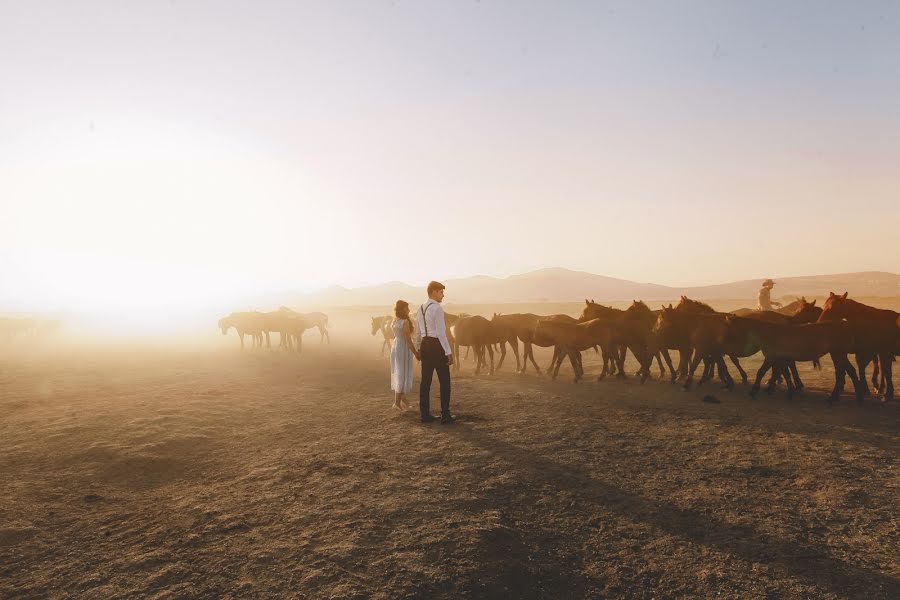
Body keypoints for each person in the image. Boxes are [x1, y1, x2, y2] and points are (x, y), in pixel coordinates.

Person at [416, 280, 454, 424]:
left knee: (425, 382)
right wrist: (448, 352)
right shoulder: (437, 308)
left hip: (425, 345)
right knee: (445, 381)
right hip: (437, 346)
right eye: (441, 292)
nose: (443, 295)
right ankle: (445, 414)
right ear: (434, 292)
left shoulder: (420, 308)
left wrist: (419, 348)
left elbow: (418, 332)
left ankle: (424, 414)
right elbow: (440, 332)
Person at [390, 300, 420, 411]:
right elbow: (408, 340)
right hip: (402, 348)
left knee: (399, 372)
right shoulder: (405, 322)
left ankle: (403, 401)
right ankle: (397, 403)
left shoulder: (394, 321)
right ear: (403, 309)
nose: (409, 310)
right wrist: (416, 353)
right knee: (402, 374)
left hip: (396, 347)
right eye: (407, 308)